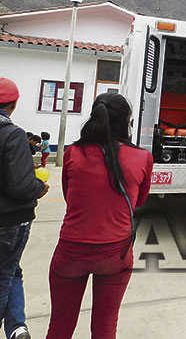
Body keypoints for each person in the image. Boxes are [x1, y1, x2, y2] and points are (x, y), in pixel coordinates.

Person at [46, 93, 153, 338]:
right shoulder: (143, 158)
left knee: (60, 327)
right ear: (126, 121)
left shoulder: (73, 153)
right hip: (116, 253)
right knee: (105, 328)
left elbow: (69, 197)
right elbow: (139, 201)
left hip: (71, 250)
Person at [0, 77, 50, 339]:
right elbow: (21, 185)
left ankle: (16, 327)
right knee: (4, 275)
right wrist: (39, 187)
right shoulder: (12, 134)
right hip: (10, 220)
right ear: (14, 104)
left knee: (12, 270)